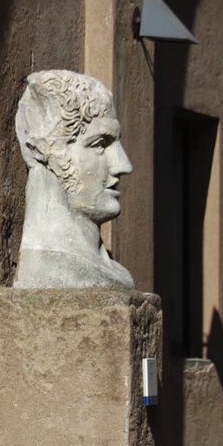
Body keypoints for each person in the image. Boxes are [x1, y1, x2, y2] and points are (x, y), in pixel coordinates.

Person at [13, 70, 135, 288]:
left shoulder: (115, 273)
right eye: (100, 144)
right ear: (41, 149)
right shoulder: (49, 269)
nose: (124, 166)